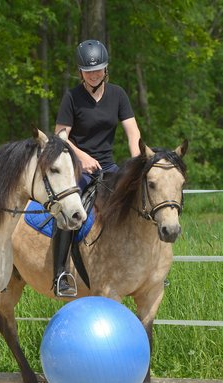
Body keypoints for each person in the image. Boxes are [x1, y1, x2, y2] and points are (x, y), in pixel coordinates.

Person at [52, 39, 143, 297]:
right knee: (67, 211)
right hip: (78, 169)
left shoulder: (118, 94)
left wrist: (137, 162)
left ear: (106, 69)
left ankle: (142, 268)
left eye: (99, 69)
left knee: (138, 204)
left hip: (109, 168)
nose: (94, 74)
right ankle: (60, 273)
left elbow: (132, 131)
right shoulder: (71, 97)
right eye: (89, 70)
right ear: (80, 72)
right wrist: (82, 156)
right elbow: (60, 136)